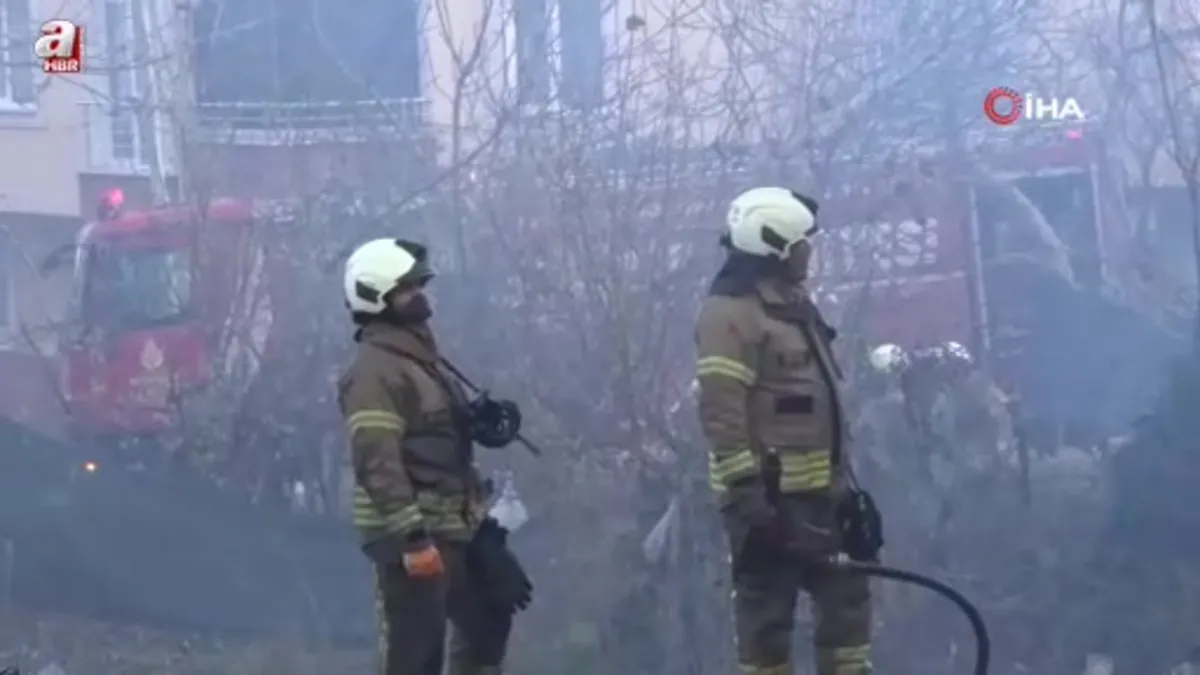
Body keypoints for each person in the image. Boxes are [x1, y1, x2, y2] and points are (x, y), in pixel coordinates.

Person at [694, 187, 872, 675]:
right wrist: (750, 496)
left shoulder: (791, 306)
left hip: (824, 495)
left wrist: (847, 487)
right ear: (774, 246)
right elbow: (722, 410)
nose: (808, 252)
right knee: (767, 622)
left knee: (848, 605)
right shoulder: (729, 314)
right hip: (771, 501)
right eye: (801, 243)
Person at [338, 238, 525, 675]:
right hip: (413, 534)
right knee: (416, 654)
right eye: (408, 288)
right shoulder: (373, 371)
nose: (421, 296)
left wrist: (473, 423)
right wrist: (413, 540)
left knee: (489, 617)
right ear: (376, 295)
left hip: (453, 525)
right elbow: (377, 460)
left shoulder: (418, 357)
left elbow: (432, 436)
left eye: (419, 285)